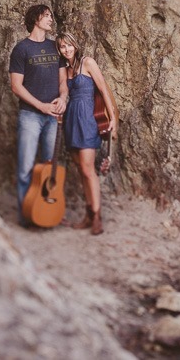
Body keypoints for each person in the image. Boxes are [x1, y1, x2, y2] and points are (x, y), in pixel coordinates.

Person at [9, 5, 68, 226]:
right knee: (25, 168)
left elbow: (63, 81)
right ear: (35, 19)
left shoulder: (55, 47)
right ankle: (27, 215)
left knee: (50, 165)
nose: (51, 19)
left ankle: (47, 212)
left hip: (54, 117)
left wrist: (63, 98)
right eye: (46, 16)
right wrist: (40, 106)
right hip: (30, 116)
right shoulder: (21, 49)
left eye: (51, 15)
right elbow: (16, 86)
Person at [56, 31, 117, 235]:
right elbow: (64, 95)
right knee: (81, 170)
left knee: (88, 168)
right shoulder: (64, 71)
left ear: (75, 44)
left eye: (69, 45)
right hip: (71, 121)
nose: (67, 49)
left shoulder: (88, 63)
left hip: (89, 121)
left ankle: (97, 216)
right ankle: (88, 215)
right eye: (62, 47)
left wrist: (113, 118)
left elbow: (103, 91)